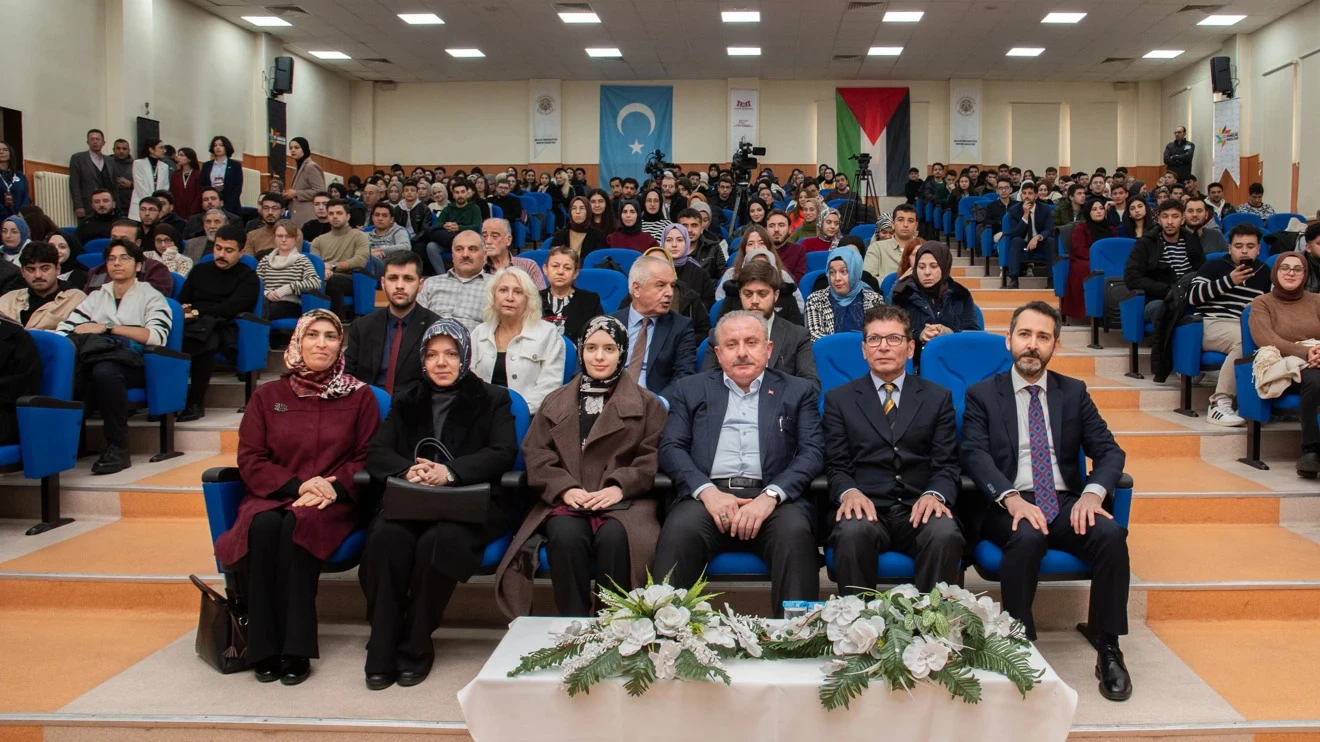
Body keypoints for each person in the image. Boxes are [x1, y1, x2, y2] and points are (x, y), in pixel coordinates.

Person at [961, 301, 1131, 702]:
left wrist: (1093, 493)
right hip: (1008, 503)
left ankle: (1108, 645)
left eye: (1042, 337)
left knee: (1110, 534)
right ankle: (1020, 641)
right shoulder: (982, 394)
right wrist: (1012, 498)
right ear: (1009, 342)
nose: (1032, 345)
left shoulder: (1073, 393)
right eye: (1024, 335)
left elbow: (1109, 452)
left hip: (1066, 499)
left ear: (1055, 344)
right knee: (1026, 536)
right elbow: (973, 454)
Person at [213, 309, 379, 686]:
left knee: (296, 526)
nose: (321, 343)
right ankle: (264, 646)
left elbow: (368, 457)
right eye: (313, 335)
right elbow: (251, 458)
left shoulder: (360, 395)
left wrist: (330, 488)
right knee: (264, 525)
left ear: (341, 345)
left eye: (331, 336)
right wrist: (297, 485)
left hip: (331, 500)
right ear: (298, 341)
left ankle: (296, 648)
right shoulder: (268, 396)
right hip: (274, 493)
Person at [359, 318, 516, 690]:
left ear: (465, 357)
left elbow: (503, 453)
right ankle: (382, 646)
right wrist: (408, 471)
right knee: (386, 539)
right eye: (432, 355)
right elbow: (377, 452)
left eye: (450, 354)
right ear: (423, 360)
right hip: (412, 500)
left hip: (466, 505)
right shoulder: (407, 398)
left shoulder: (493, 398)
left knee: (437, 543)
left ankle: (415, 645)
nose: (441, 362)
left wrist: (450, 472)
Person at [653, 311, 823, 617]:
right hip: (709, 498)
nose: (742, 352)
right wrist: (707, 492)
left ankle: (797, 639)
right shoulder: (690, 389)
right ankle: (665, 636)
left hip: (772, 500)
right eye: (731, 344)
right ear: (718, 353)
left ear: (768, 349)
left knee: (795, 535)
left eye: (751, 342)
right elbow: (671, 447)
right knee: (679, 531)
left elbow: (812, 452)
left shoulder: (797, 390)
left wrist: (770, 497)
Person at [495, 315, 666, 617]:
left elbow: (650, 456)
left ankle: (614, 624)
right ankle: (573, 625)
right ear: (580, 350)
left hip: (625, 502)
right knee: (564, 534)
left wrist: (618, 486)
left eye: (609, 349)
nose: (599, 357)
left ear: (622, 353)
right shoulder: (555, 401)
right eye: (591, 348)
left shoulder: (647, 403)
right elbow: (537, 454)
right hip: (568, 499)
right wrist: (565, 488)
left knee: (616, 538)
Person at [824, 304, 963, 592]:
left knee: (944, 531)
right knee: (852, 530)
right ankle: (856, 629)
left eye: (893, 339)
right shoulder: (839, 400)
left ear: (911, 348)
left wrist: (935, 494)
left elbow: (947, 463)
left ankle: (931, 631)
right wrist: (849, 492)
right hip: (867, 505)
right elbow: (836, 464)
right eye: (874, 339)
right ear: (864, 350)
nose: (883, 347)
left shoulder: (937, 398)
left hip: (918, 505)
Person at [57, 238, 173, 474]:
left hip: (138, 364)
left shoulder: (151, 296)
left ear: (138, 265)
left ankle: (118, 447)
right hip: (96, 359)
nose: (116, 263)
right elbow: (65, 330)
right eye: (111, 259)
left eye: (124, 258)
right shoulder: (97, 296)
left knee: (104, 370)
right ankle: (63, 443)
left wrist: (107, 327)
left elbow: (155, 336)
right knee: (77, 368)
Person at [1187, 224, 1271, 426]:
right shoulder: (1214, 266)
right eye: (1238, 245)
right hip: (1211, 323)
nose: (1244, 250)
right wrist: (1229, 280)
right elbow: (1192, 297)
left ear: (1258, 249)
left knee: (1264, 340)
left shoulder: (1264, 271)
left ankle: (1260, 403)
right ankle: (1219, 404)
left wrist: (1258, 305)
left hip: (1247, 324)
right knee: (1247, 341)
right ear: (1229, 248)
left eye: (1250, 246)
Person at [176, 225, 260, 422]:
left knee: (207, 341)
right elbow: (182, 299)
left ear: (241, 252)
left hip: (225, 326)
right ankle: (169, 402)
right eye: (218, 248)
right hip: (192, 322)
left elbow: (230, 308)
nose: (221, 254)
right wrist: (186, 310)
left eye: (228, 250)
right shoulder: (200, 270)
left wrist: (197, 311)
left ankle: (195, 402)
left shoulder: (248, 277)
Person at [1248, 253, 1320, 475]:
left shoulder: (1317, 300)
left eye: (1297, 269)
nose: (1291, 273)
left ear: (1305, 274)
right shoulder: (1263, 303)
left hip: (1317, 356)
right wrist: (1306, 353)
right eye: (1285, 268)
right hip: (1285, 364)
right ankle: (1311, 452)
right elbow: (1266, 338)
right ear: (1275, 272)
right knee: (1315, 380)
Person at [700, 259, 817, 389]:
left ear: (776, 295)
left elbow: (810, 385)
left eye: (762, 294)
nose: (754, 301)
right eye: (748, 294)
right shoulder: (718, 335)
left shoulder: (798, 336)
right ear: (740, 295)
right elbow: (706, 383)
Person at [1124, 199, 1205, 379]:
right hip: (1156, 300)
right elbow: (1132, 278)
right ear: (1158, 219)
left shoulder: (1191, 241)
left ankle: (1189, 362)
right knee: (1168, 308)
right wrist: (1168, 290)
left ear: (1183, 219)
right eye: (1165, 217)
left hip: (1189, 297)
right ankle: (1175, 363)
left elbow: (1202, 272)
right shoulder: (1146, 243)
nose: (1170, 222)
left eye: (1175, 217)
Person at [341, 251, 439, 399]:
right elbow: (347, 373)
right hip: (368, 407)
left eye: (408, 279)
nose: (400, 286)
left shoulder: (435, 327)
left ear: (420, 285)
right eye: (393, 278)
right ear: (383, 283)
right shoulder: (362, 326)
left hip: (415, 411)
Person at [470, 267, 564, 415]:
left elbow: (549, 386)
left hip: (528, 417)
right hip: (482, 414)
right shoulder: (479, 332)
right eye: (503, 290)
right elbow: (470, 380)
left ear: (529, 299)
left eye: (518, 292)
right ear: (493, 296)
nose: (510, 298)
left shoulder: (548, 333)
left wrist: (515, 410)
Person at [609, 255, 696, 397]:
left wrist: (660, 403)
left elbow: (684, 375)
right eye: (660, 285)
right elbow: (584, 371)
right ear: (637, 289)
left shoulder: (681, 327)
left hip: (653, 404)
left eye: (672, 285)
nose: (669, 293)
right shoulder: (609, 324)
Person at [891, 241, 979, 350]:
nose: (927, 272)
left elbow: (973, 334)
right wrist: (919, 335)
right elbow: (893, 335)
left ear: (944, 266)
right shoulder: (903, 294)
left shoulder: (960, 294)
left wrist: (949, 333)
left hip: (955, 356)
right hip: (914, 361)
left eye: (933, 266)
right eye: (921, 267)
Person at [0, 241, 87, 330]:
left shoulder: (77, 300)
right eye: (30, 269)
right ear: (22, 272)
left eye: (45, 269)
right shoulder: (8, 299)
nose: (38, 275)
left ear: (57, 269)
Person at [804, 246, 883, 341]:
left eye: (843, 272)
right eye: (832, 272)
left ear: (855, 272)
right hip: (830, 354)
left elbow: (880, 334)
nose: (837, 278)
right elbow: (814, 337)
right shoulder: (816, 300)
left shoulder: (874, 299)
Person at [311, 199, 371, 321]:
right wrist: (323, 270)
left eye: (339, 213)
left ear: (348, 216)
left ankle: (332, 323)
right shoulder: (318, 241)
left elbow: (360, 260)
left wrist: (332, 266)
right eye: (331, 214)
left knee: (335, 281)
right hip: (323, 276)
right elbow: (314, 263)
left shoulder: (359, 236)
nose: (335, 217)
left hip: (350, 278)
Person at [419, 230, 489, 330]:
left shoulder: (495, 285)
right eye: (459, 249)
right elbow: (418, 322)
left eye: (472, 249)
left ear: (485, 255)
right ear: (452, 255)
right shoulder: (431, 283)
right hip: (432, 341)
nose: (465, 254)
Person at [1060, 200, 1116, 321]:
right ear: (1088, 212)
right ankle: (1087, 312)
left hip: (1108, 260)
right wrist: (1097, 258)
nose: (1099, 211)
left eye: (1101, 208)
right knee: (1085, 269)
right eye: (1094, 209)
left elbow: (1115, 249)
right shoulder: (1082, 227)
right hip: (1085, 259)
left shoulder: (1111, 229)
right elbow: (1079, 249)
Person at [258, 220, 321, 324]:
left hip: (290, 304)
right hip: (265, 302)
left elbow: (315, 282)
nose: (283, 240)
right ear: (274, 238)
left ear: (296, 238)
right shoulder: (265, 261)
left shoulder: (302, 260)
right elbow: (255, 284)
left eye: (288, 236)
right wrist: (267, 293)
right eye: (280, 236)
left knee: (264, 313)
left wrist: (289, 288)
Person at [541, 246, 603, 340]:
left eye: (567, 268)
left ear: (575, 273)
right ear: (545, 269)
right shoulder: (533, 299)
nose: (560, 272)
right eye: (555, 266)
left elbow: (599, 336)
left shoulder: (590, 300)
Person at [423, 180, 483, 274]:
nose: (460, 195)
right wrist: (446, 226)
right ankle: (442, 275)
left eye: (463, 192)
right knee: (431, 247)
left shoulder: (475, 208)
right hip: (448, 241)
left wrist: (459, 228)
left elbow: (476, 226)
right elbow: (437, 225)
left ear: (467, 193)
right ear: (453, 195)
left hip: (468, 241)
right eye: (457, 192)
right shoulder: (448, 209)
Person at [1005, 182, 1054, 289]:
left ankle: (1052, 280)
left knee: (1050, 241)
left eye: (1030, 193)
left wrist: (1037, 237)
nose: (1027, 196)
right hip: (1023, 243)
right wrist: (1025, 215)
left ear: (1036, 195)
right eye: (1024, 193)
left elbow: (1049, 230)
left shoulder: (1045, 209)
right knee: (1016, 241)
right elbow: (1015, 233)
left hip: (1040, 243)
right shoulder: (1014, 210)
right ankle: (1014, 279)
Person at [483, 218, 546, 289]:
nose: (488, 241)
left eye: (494, 236)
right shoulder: (477, 268)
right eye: (484, 237)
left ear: (508, 240)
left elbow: (540, 298)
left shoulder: (528, 266)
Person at [865, 203, 922, 280]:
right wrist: (896, 282)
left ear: (916, 226)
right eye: (900, 220)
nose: (905, 224)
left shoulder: (923, 248)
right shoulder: (877, 248)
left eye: (910, 221)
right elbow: (867, 280)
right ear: (893, 224)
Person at [69, 129, 113, 222]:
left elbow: (113, 184)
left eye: (98, 139)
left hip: (107, 205)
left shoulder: (110, 160)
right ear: (88, 142)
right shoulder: (78, 158)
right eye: (92, 139)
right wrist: (78, 206)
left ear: (103, 142)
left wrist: (115, 203)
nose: (95, 142)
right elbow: (74, 183)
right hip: (87, 205)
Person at [283, 138, 326, 229]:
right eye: (290, 148)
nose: (293, 150)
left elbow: (320, 192)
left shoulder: (310, 166)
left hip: (308, 216)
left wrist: (296, 193)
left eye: (296, 147)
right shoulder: (299, 167)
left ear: (304, 148)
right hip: (298, 215)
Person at [200, 136, 244, 217]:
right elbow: (203, 185)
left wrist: (227, 207)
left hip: (231, 205)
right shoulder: (207, 165)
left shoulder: (235, 165)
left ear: (226, 147)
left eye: (221, 145)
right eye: (215, 145)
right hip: (211, 204)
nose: (217, 147)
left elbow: (237, 187)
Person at [129, 139, 170, 222]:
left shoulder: (164, 166)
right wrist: (151, 202)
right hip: (141, 202)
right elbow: (139, 186)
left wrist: (159, 202)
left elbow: (165, 186)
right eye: (161, 148)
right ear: (151, 149)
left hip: (158, 206)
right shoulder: (138, 163)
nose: (164, 151)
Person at [168, 147, 204, 220]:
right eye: (178, 155)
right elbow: (172, 192)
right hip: (177, 211)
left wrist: (194, 210)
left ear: (189, 158)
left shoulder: (198, 174)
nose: (178, 157)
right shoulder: (175, 175)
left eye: (181, 155)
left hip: (194, 211)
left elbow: (199, 194)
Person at [0, 142, 28, 220]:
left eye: (5, 150)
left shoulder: (20, 175)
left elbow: (25, 196)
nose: (1, 152)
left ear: (10, 153)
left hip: (19, 218)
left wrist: (22, 213)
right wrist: (5, 215)